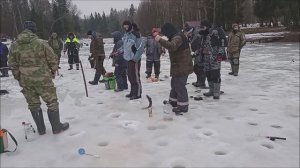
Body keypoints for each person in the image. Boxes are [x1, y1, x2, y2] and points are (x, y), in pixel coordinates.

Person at [8, 21, 69, 135]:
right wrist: (52, 71)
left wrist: (19, 78)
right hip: (43, 78)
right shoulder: (42, 43)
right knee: (51, 102)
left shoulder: (14, 45)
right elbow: (53, 59)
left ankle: (41, 130)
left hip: (26, 80)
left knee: (33, 104)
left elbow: (12, 64)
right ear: (33, 30)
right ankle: (56, 128)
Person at [154, 23, 193, 113]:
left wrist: (160, 39)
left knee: (180, 86)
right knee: (174, 84)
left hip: (182, 66)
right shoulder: (175, 35)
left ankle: (183, 106)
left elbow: (172, 46)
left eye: (165, 33)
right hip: (178, 66)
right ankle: (173, 102)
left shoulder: (178, 37)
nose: (165, 35)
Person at [199, 20, 227, 99]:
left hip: (215, 56)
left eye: (203, 26)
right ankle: (211, 90)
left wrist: (220, 55)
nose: (201, 28)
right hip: (206, 57)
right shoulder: (203, 34)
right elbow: (201, 45)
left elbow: (222, 44)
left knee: (215, 74)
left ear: (207, 26)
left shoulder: (215, 32)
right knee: (208, 73)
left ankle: (216, 92)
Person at [121, 21, 144, 100]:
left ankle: (137, 93)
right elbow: (124, 46)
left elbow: (140, 49)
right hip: (128, 59)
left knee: (135, 77)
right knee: (130, 77)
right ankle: (132, 91)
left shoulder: (136, 34)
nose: (126, 29)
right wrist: (118, 51)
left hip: (134, 59)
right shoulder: (126, 35)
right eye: (124, 27)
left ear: (130, 26)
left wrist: (135, 59)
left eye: (127, 27)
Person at [184, 24, 207, 88]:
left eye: (187, 33)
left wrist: (196, 53)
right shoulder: (192, 35)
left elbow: (200, 45)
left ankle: (202, 83)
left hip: (201, 53)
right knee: (196, 68)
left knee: (200, 68)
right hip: (196, 53)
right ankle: (198, 81)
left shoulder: (197, 35)